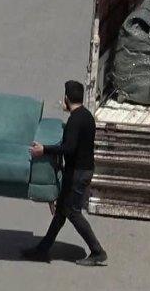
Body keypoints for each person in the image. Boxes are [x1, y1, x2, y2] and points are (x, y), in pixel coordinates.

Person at [25, 80, 107, 266]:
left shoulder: (75, 120)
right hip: (81, 170)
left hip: (78, 173)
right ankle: (42, 249)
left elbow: (69, 149)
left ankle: (97, 251)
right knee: (61, 210)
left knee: (72, 211)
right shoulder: (86, 116)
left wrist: (44, 149)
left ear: (66, 99)